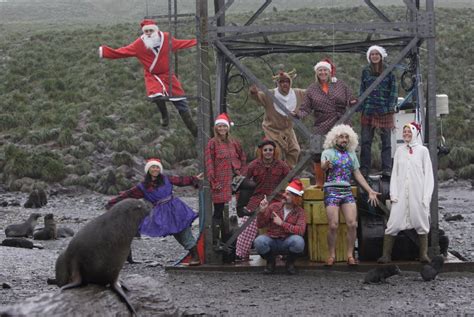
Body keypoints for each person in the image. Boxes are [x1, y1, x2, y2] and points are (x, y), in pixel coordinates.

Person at [99, 19, 197, 136]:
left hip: (167, 75)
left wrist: (197, 41)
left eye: (151, 30)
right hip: (152, 75)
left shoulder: (166, 38)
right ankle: (164, 116)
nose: (149, 33)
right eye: (146, 31)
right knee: (156, 95)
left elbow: (181, 43)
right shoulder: (139, 44)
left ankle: (195, 132)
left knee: (181, 102)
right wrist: (105, 52)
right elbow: (123, 52)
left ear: (156, 30)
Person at [105, 158, 203, 266]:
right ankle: (194, 255)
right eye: (152, 167)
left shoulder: (166, 179)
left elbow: (181, 180)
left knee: (183, 231)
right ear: (148, 169)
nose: (155, 169)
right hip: (162, 212)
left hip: (175, 208)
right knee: (177, 233)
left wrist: (194, 179)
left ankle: (195, 256)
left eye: (157, 167)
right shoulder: (142, 186)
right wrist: (112, 203)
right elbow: (128, 195)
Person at [321, 124, 379, 266]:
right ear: (335, 138)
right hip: (331, 190)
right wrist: (326, 165)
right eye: (341, 136)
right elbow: (322, 167)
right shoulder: (328, 152)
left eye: (347, 137)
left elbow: (357, 174)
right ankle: (331, 254)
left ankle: (350, 255)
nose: (344, 139)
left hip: (346, 190)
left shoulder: (351, 154)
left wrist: (369, 190)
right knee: (333, 225)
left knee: (352, 223)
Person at [295, 59, 357, 187]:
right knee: (317, 152)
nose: (322, 72)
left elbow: (351, 98)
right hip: (321, 123)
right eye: (320, 70)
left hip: (340, 122)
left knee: (343, 151)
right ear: (316, 73)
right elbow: (305, 108)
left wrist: (353, 102)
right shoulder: (312, 89)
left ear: (330, 72)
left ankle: (345, 179)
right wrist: (298, 114)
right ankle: (320, 182)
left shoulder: (340, 84)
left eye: (325, 70)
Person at [378, 122, 434, 264]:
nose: (406, 134)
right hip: (401, 193)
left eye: (409, 131)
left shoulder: (423, 151)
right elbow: (395, 174)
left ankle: (423, 255)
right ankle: (386, 255)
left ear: (415, 133)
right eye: (404, 132)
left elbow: (428, 175)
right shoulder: (399, 151)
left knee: (421, 222)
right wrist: (394, 194)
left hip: (418, 192)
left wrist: (426, 196)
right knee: (393, 223)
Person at [235, 138, 291, 261]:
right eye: (265, 150)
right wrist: (240, 204)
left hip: (276, 199)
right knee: (247, 223)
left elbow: (292, 179)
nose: (268, 152)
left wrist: (289, 196)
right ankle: (241, 254)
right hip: (257, 198)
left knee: (282, 222)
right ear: (261, 151)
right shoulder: (253, 165)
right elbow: (242, 183)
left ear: (274, 151)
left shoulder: (282, 165)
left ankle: (283, 252)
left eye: (270, 150)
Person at [205, 113, 252, 241]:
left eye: (224, 126)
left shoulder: (234, 142)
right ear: (216, 128)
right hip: (220, 180)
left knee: (250, 185)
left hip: (234, 177)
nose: (222, 129)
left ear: (227, 128)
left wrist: (242, 171)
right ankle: (216, 239)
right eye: (219, 126)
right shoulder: (212, 143)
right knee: (218, 211)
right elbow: (209, 163)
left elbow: (242, 156)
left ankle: (240, 208)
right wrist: (213, 181)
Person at [249, 70, 305, 168]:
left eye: (287, 81)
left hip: (288, 130)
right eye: (282, 82)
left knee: (295, 150)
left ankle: (289, 172)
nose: (285, 84)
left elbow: (311, 93)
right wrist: (254, 92)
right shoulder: (270, 94)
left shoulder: (297, 93)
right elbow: (258, 96)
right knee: (275, 152)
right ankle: (275, 173)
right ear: (278, 83)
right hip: (272, 130)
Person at [359, 45, 398, 178]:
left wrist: (390, 108)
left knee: (386, 142)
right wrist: (360, 106)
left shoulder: (389, 71)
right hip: (368, 110)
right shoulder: (365, 71)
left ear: (381, 56)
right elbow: (362, 90)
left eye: (377, 54)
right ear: (369, 57)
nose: (374, 56)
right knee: (365, 141)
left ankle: (387, 169)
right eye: (372, 54)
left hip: (384, 111)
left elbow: (393, 91)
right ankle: (364, 169)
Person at [254, 179, 306, 275]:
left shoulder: (300, 212)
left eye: (288, 194)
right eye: (284, 193)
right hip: (272, 240)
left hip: (288, 241)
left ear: (295, 198)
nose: (284, 195)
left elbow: (300, 231)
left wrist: (282, 223)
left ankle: (290, 263)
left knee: (299, 241)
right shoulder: (274, 206)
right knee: (259, 241)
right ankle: (270, 262)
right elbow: (260, 225)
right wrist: (261, 212)